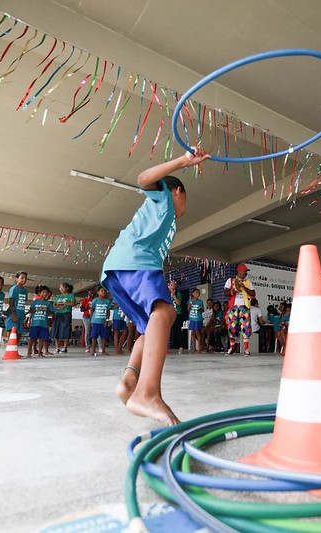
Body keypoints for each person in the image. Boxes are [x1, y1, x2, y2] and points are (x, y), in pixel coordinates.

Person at [102, 146, 210, 426]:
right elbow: (143, 178)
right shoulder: (163, 197)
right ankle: (148, 393)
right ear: (178, 192)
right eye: (186, 200)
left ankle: (129, 381)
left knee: (149, 329)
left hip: (119, 269)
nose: (186, 208)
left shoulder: (167, 220)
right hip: (135, 261)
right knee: (165, 313)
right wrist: (184, 161)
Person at [224, 264, 256, 356]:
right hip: (233, 308)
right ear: (239, 271)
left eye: (246, 271)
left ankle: (246, 350)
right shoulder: (230, 281)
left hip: (244, 307)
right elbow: (225, 293)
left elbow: (253, 294)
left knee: (245, 328)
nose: (245, 273)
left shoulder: (248, 282)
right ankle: (232, 348)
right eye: (244, 271)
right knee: (232, 328)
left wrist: (244, 287)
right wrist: (234, 289)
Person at [26, 285, 55, 358]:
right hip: (35, 323)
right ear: (39, 293)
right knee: (32, 338)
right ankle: (29, 353)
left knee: (42, 338)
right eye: (43, 292)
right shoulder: (35, 302)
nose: (45, 294)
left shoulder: (48, 303)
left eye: (47, 292)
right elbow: (30, 310)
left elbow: (52, 312)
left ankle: (40, 352)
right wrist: (36, 309)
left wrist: (47, 310)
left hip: (44, 324)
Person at [52, 282, 76, 354]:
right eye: (60, 288)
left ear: (66, 288)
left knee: (65, 330)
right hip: (58, 314)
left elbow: (73, 303)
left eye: (62, 288)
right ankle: (57, 347)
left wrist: (64, 304)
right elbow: (54, 304)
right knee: (56, 329)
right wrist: (58, 306)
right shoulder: (58, 296)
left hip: (66, 314)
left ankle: (65, 347)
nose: (60, 289)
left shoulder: (70, 296)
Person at [4, 271, 29, 337]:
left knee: (18, 336)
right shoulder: (14, 289)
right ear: (17, 278)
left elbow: (23, 303)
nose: (24, 279)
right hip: (13, 316)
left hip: (21, 316)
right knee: (12, 336)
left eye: (25, 278)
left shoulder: (25, 291)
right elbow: (11, 302)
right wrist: (13, 315)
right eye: (22, 278)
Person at [89, 285, 112, 355]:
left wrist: (107, 320)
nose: (104, 292)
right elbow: (92, 310)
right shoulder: (95, 301)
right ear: (98, 292)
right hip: (95, 321)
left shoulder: (107, 301)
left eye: (104, 291)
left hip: (104, 322)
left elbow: (108, 311)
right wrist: (91, 320)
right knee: (94, 336)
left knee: (104, 336)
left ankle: (103, 350)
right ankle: (93, 350)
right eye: (102, 291)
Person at [168, 280, 185, 354]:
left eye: (174, 285)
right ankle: (165, 347)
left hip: (177, 313)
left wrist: (174, 295)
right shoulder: (166, 293)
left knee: (178, 330)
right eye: (171, 285)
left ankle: (181, 347)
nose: (173, 286)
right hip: (169, 314)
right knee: (167, 331)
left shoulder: (178, 293)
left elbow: (179, 303)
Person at [187, 288, 204, 354]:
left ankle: (199, 348)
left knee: (198, 332)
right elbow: (188, 309)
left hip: (198, 319)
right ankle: (194, 348)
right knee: (193, 333)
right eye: (196, 293)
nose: (198, 294)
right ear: (193, 294)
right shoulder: (190, 301)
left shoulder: (200, 301)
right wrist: (191, 302)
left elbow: (202, 310)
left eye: (199, 293)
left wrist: (200, 309)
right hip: (192, 318)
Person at [80, 289, 95, 353]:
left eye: (93, 294)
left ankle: (100, 346)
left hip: (94, 317)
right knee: (87, 331)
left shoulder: (95, 300)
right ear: (88, 294)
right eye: (90, 293)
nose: (92, 295)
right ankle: (87, 346)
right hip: (87, 317)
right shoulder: (85, 300)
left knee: (96, 331)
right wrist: (88, 308)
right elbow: (81, 309)